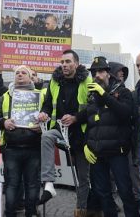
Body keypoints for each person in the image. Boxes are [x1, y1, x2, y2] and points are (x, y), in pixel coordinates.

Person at [76, 56, 139, 217]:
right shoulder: (91, 97)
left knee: (125, 191)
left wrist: (104, 94)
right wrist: (86, 144)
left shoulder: (123, 91)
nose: (97, 75)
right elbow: (90, 123)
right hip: (97, 154)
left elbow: (125, 114)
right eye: (94, 72)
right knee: (103, 193)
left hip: (117, 152)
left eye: (101, 71)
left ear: (108, 73)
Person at [38, 49, 92, 217]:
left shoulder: (87, 80)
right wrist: (43, 113)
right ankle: (49, 184)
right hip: (59, 129)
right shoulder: (55, 81)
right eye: (62, 62)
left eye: (68, 62)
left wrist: (76, 118)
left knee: (83, 176)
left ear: (76, 63)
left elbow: (92, 107)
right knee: (46, 136)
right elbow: (48, 104)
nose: (64, 65)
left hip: (81, 134)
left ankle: (81, 210)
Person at [0, 65, 42, 217]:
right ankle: (10, 213)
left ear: (29, 76)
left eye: (24, 72)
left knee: (32, 184)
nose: (20, 74)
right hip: (11, 148)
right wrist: (3, 122)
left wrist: (42, 126)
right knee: (12, 185)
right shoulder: (5, 96)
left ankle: (31, 213)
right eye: (17, 73)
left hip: (33, 148)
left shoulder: (40, 95)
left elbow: (49, 116)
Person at [109, 61, 140, 208]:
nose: (122, 74)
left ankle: (137, 197)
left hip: (127, 139)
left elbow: (132, 115)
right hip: (109, 141)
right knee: (110, 173)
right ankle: (112, 200)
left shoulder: (127, 92)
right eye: (118, 72)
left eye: (123, 72)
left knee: (131, 169)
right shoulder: (100, 92)